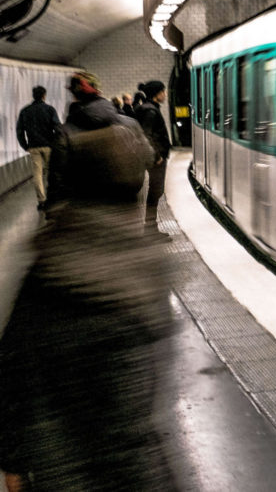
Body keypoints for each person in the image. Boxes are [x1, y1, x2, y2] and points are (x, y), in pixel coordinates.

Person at [0, 71, 175, 491]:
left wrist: (14, 460)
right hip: (136, 470)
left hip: (64, 466)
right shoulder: (149, 263)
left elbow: (14, 370)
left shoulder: (55, 262)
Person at [16, 86, 62, 211]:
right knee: (51, 173)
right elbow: (57, 127)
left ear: (33, 95)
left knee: (37, 174)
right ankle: (54, 198)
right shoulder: (49, 109)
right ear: (44, 96)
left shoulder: (25, 111)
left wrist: (25, 145)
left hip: (33, 147)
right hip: (48, 146)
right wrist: (58, 143)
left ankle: (41, 201)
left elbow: (19, 130)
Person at [136, 80, 171, 235]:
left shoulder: (149, 108)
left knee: (156, 191)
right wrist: (157, 156)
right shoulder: (150, 111)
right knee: (156, 191)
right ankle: (150, 228)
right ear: (157, 94)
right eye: (163, 91)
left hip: (155, 157)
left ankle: (151, 227)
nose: (166, 94)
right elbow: (146, 135)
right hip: (156, 159)